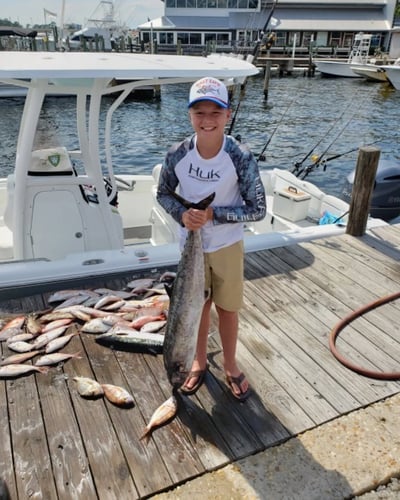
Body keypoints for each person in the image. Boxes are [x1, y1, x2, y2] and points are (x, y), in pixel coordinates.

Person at [156, 76, 266, 401]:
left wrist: (213, 215)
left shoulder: (240, 156)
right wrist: (182, 214)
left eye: (215, 112)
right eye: (199, 112)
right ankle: (198, 361)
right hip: (191, 247)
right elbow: (163, 194)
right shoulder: (178, 154)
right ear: (190, 115)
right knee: (196, 308)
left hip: (226, 246)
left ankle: (230, 365)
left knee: (228, 308)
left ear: (227, 114)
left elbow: (257, 208)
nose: (207, 120)